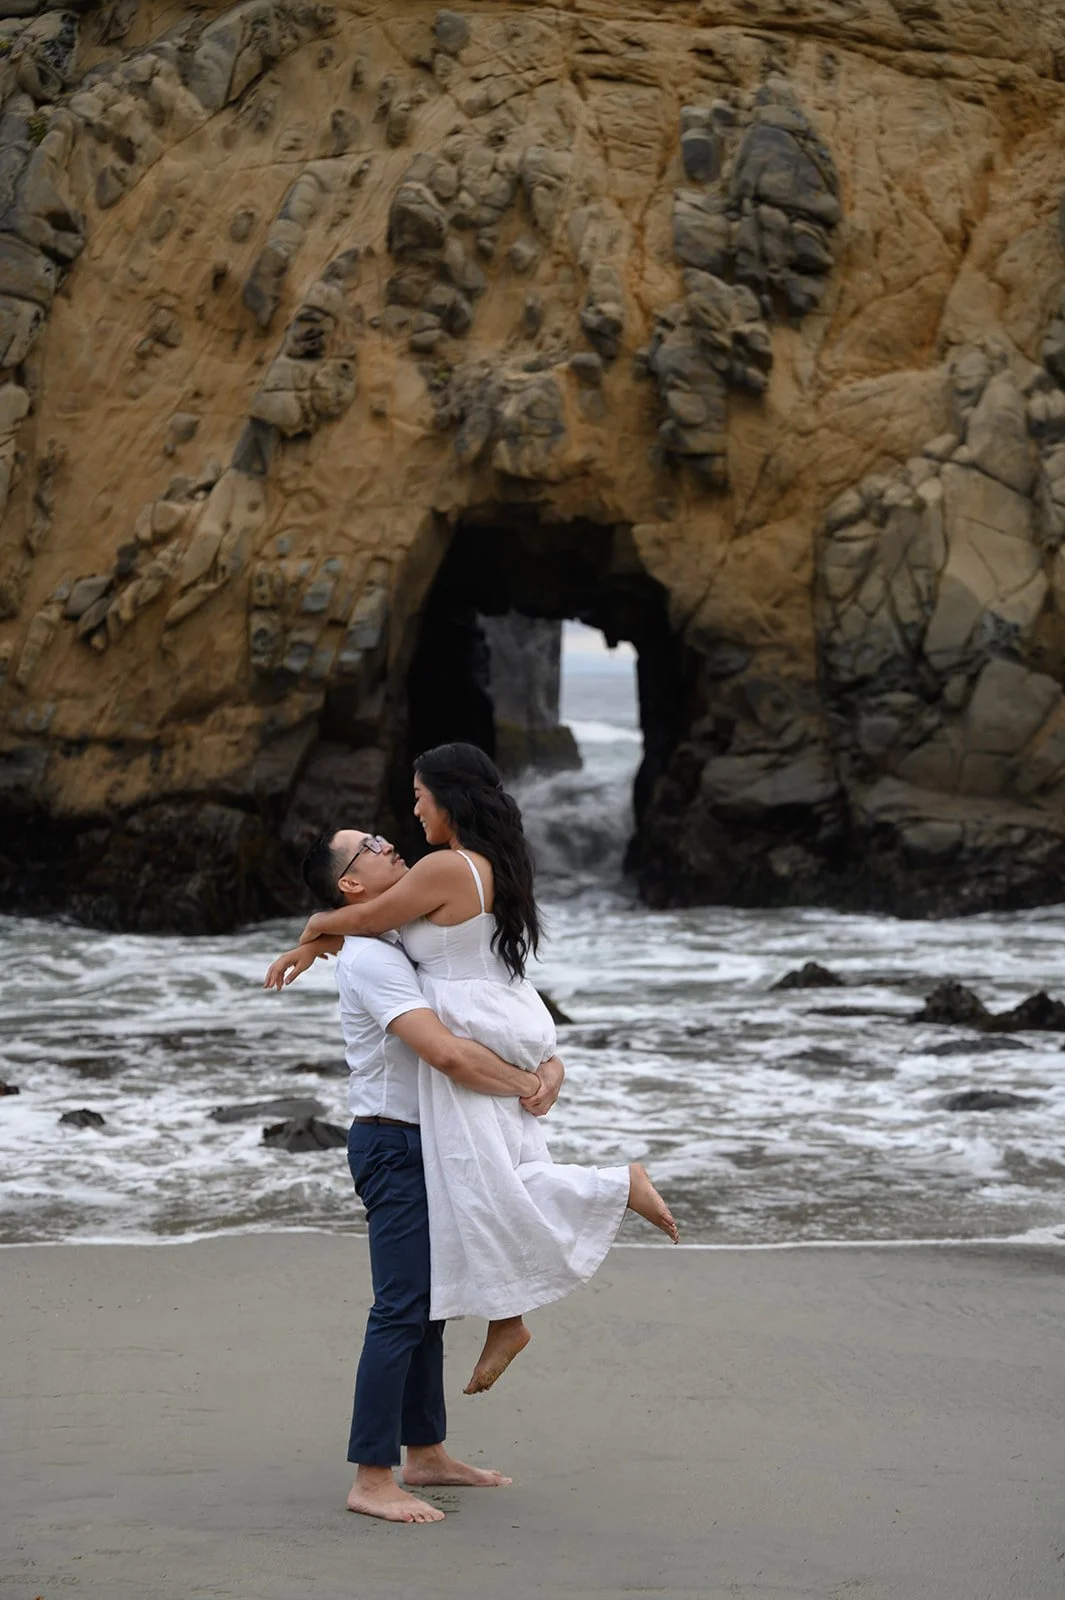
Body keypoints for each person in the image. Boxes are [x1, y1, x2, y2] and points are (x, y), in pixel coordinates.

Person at [266, 742, 677, 1400]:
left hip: (477, 1029)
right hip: (501, 1016)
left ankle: (613, 1186)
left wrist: (310, 928)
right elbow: (379, 929)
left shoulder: (442, 868)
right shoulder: (477, 866)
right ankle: (506, 1319)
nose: (411, 810)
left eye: (419, 796)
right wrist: (321, 944)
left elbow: (369, 918)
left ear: (449, 800)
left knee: (484, 1178)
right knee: (489, 1179)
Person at [267, 828, 565, 1524]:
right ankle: (371, 1477)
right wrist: (531, 1081)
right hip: (393, 1144)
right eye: (369, 844)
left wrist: (311, 939)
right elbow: (445, 1053)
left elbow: (360, 936)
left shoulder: (392, 934)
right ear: (350, 883)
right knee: (399, 1309)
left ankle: (424, 1453)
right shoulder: (375, 959)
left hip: (430, 1140)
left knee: (428, 1310)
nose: (387, 841)